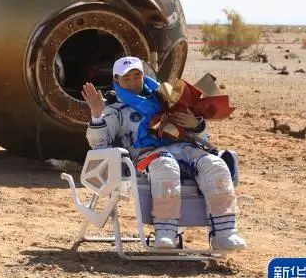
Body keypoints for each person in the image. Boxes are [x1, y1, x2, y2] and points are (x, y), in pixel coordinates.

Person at [81, 56, 247, 251]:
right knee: (166, 166)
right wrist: (96, 114)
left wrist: (195, 124)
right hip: (145, 156)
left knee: (215, 165)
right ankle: (166, 232)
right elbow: (99, 143)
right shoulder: (114, 108)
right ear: (116, 80)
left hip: (182, 148)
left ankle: (225, 232)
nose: (133, 82)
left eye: (137, 76)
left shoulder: (165, 97)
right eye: (126, 78)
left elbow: (203, 137)